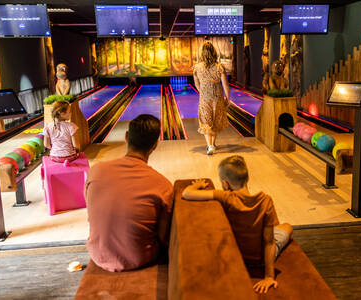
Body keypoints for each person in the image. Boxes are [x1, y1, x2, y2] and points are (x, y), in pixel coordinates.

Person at [182, 155, 293, 294]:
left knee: (280, 228)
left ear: (225, 184)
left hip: (238, 256)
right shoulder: (266, 201)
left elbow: (186, 193)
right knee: (287, 226)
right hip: (259, 258)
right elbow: (269, 242)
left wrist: (197, 185)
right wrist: (269, 276)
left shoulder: (226, 197)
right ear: (247, 178)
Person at [85, 114, 173, 272]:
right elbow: (163, 237)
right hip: (140, 258)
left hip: (98, 254)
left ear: (126, 137)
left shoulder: (95, 171)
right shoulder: (163, 185)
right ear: (155, 145)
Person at [193, 42, 230, 155]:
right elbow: (225, 84)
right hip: (217, 98)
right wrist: (227, 98)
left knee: (206, 122)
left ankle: (210, 146)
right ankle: (212, 144)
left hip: (204, 99)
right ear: (214, 52)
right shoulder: (219, 67)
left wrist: (203, 93)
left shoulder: (197, 67)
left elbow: (197, 84)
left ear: (202, 54)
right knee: (215, 121)